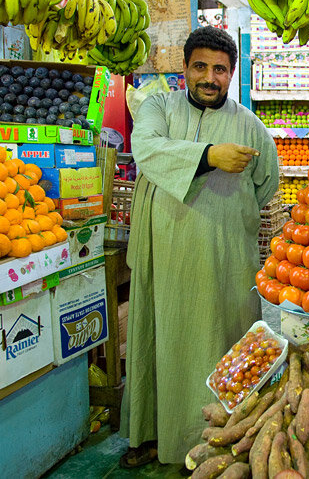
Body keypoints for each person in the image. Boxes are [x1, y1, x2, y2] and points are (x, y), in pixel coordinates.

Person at [119, 26, 279, 467]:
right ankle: (152, 433)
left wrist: (228, 214)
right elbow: (145, 148)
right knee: (161, 335)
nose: (210, 77)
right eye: (201, 67)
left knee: (220, 337)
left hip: (223, 255)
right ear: (185, 69)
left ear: (231, 74)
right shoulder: (159, 106)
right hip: (165, 247)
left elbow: (267, 183)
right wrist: (210, 157)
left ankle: (222, 439)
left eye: (220, 70)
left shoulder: (249, 124)